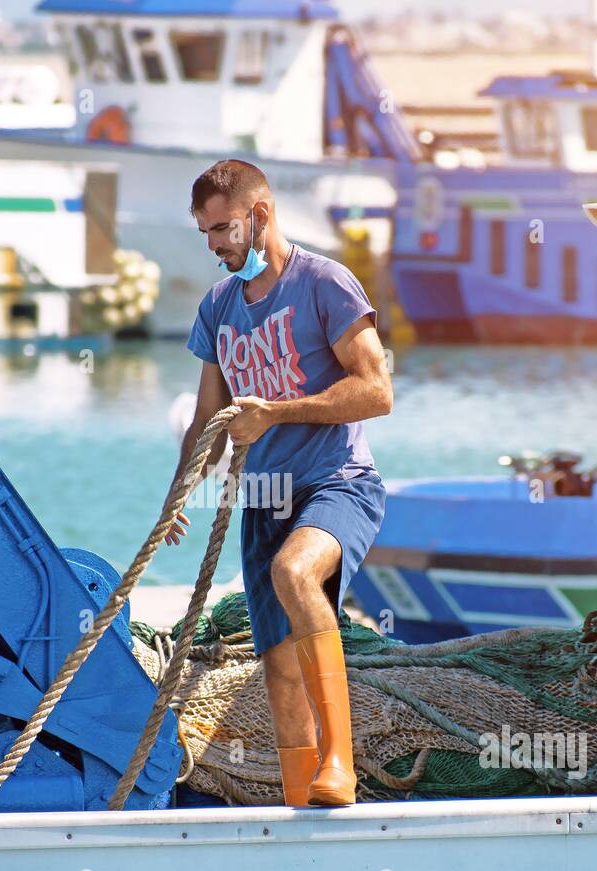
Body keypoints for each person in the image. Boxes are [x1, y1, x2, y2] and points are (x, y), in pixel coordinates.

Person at [165, 159, 392, 807]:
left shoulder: (327, 285)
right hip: (264, 501)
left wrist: (279, 413)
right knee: (279, 667)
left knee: (297, 574)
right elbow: (209, 415)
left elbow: (377, 391)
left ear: (260, 215)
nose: (214, 245)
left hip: (337, 485)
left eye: (224, 229)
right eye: (206, 233)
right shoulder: (218, 307)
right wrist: (178, 494)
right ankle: (302, 798)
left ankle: (340, 764)